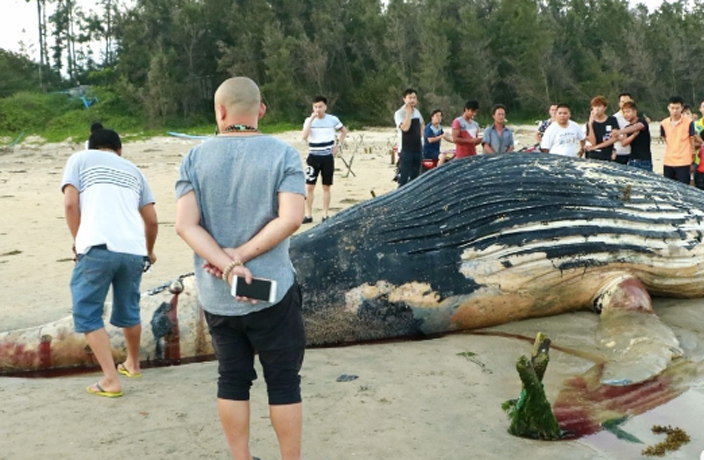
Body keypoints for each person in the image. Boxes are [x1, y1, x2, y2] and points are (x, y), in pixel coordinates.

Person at [175, 77, 306, 460]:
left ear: (220, 111)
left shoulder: (194, 159)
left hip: (218, 296)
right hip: (271, 290)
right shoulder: (283, 155)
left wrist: (225, 264)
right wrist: (241, 258)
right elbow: (292, 218)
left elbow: (186, 225)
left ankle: (241, 457)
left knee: (232, 378)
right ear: (260, 110)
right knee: (283, 383)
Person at [61, 128, 158, 398]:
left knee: (87, 312)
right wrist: (149, 252)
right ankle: (133, 364)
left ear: (90, 146)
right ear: (120, 150)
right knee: (129, 308)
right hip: (132, 250)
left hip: (98, 246)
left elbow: (71, 204)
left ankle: (110, 380)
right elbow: (151, 219)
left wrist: (78, 241)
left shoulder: (80, 159)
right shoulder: (134, 170)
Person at [301, 95, 347, 224]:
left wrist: (338, 145)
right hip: (313, 156)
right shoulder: (308, 120)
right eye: (315, 106)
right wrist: (311, 120)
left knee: (326, 186)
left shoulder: (332, 119)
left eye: (320, 106)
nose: (318, 109)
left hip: (327, 156)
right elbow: (304, 137)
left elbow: (343, 131)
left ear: (325, 107)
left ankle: (325, 214)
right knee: (309, 186)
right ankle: (308, 214)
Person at [660, 95, 696, 184]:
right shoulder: (663, 123)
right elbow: (665, 139)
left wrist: (692, 160)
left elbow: (692, 139)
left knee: (683, 189)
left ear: (682, 108)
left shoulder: (689, 122)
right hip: (669, 161)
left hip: (684, 161)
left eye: (677, 108)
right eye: (672, 108)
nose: (675, 111)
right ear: (668, 108)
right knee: (669, 189)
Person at [394, 88, 424, 186]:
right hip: (406, 149)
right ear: (404, 99)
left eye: (414, 98)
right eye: (410, 98)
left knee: (415, 177)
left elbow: (422, 124)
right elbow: (405, 128)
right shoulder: (399, 113)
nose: (412, 100)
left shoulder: (417, 112)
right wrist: (408, 113)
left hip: (417, 148)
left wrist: (420, 135)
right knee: (404, 177)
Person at [614, 101, 653, 172]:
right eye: (624, 112)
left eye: (628, 112)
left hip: (644, 161)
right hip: (632, 160)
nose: (626, 114)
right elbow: (624, 143)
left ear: (635, 112)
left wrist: (619, 132)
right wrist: (633, 135)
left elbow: (636, 127)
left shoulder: (642, 122)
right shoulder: (627, 127)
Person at [585, 95, 620, 161]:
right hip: (593, 155)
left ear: (605, 108)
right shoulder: (590, 123)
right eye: (595, 106)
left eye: (599, 106)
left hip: (607, 155)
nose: (597, 109)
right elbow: (593, 143)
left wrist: (597, 147)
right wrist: (590, 125)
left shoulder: (612, 120)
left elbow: (614, 138)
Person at [612, 93, 634, 164]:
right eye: (622, 102)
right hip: (619, 152)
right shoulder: (614, 118)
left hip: (633, 154)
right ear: (619, 104)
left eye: (627, 102)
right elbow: (613, 135)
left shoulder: (635, 117)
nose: (625, 104)